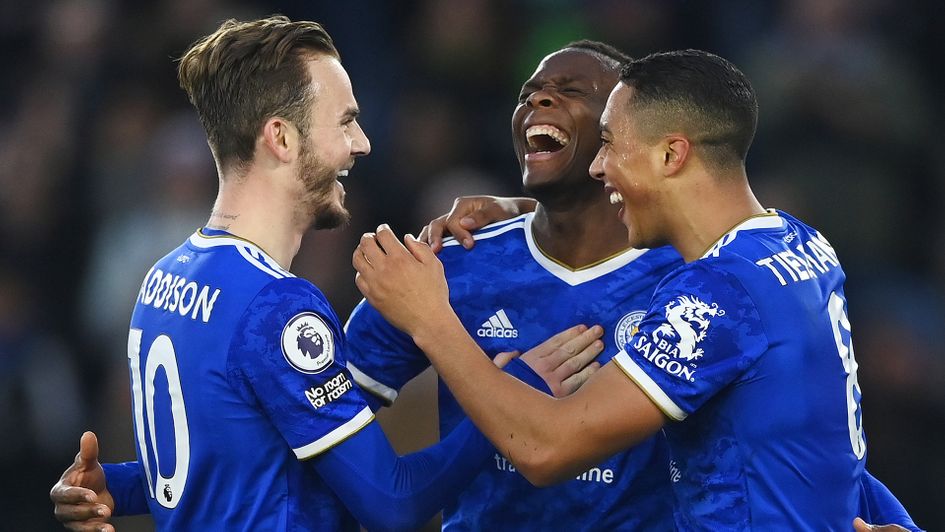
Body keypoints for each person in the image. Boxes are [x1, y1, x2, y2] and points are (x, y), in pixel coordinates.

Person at [48, 16, 593, 532]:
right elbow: (393, 502)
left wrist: (114, 485)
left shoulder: (165, 279)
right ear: (281, 138)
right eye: (346, 121)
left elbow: (222, 459)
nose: (363, 143)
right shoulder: (278, 308)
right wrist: (514, 397)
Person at [353, 49, 924, 530]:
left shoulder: (714, 294)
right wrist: (528, 211)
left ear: (671, 154)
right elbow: (832, 452)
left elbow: (547, 448)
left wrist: (431, 318)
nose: (599, 168)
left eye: (609, 143)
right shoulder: (799, 245)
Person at [344, 41, 683, 529]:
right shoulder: (455, 262)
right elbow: (326, 411)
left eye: (570, 91)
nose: (539, 101)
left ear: (622, 137)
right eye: (531, 93)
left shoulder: (688, 278)